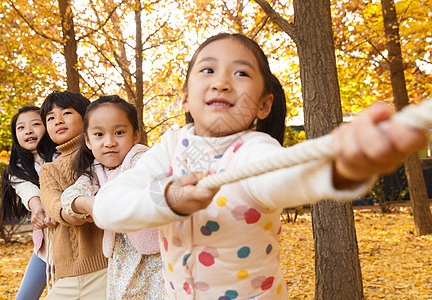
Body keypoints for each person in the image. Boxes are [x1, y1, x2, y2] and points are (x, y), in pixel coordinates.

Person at [93, 33, 428, 299]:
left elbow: (285, 175)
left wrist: (345, 166)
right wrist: (166, 198)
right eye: (207, 70)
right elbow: (108, 206)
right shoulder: (168, 148)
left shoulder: (254, 151)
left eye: (240, 73)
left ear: (264, 104)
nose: (221, 82)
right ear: (184, 96)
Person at [60, 95, 165, 298]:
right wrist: (88, 204)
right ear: (88, 141)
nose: (109, 142)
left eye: (119, 133)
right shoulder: (96, 171)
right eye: (99, 135)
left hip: (155, 256)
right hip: (121, 259)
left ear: (135, 136)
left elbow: (155, 184)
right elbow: (71, 195)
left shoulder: (142, 160)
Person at [38, 90, 108, 299]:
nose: (58, 120)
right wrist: (76, 209)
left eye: (66, 113)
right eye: (50, 118)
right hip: (66, 275)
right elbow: (52, 202)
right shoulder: (49, 169)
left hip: (106, 268)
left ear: (87, 117)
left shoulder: (102, 153)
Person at [0, 106, 57, 300]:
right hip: (45, 247)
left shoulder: (62, 157)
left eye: (35, 124)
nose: (29, 131)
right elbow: (28, 192)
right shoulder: (16, 169)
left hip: (76, 244)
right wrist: (37, 209)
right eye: (21, 128)